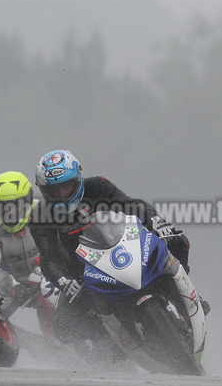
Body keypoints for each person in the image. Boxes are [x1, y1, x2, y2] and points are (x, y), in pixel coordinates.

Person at [27, 149, 203, 351]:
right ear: (43, 190)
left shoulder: (98, 186)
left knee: (178, 241)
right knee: (63, 327)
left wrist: (157, 222)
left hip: (125, 249)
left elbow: (132, 206)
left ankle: (185, 298)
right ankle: (113, 338)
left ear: (77, 179)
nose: (61, 194)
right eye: (55, 191)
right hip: (84, 272)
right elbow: (48, 258)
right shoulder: (39, 215)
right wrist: (64, 280)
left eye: (66, 186)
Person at [0, 171, 56, 332]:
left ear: (28, 200)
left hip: (45, 275)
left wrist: (46, 273)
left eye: (15, 205)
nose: (10, 213)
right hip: (10, 285)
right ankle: (23, 343)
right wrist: (14, 288)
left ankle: (57, 341)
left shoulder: (45, 212)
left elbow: (61, 251)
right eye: (3, 207)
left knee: (57, 309)